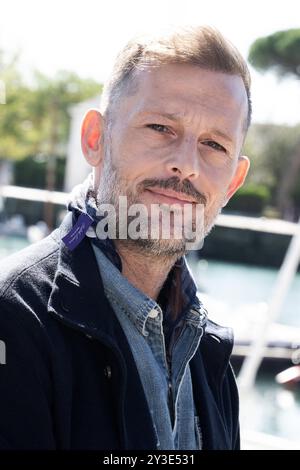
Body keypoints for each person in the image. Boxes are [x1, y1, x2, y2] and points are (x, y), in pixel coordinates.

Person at [0, 26, 251, 450]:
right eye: (160, 127)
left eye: (213, 144)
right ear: (96, 139)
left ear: (233, 182)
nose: (186, 165)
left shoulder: (210, 354)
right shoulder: (15, 321)